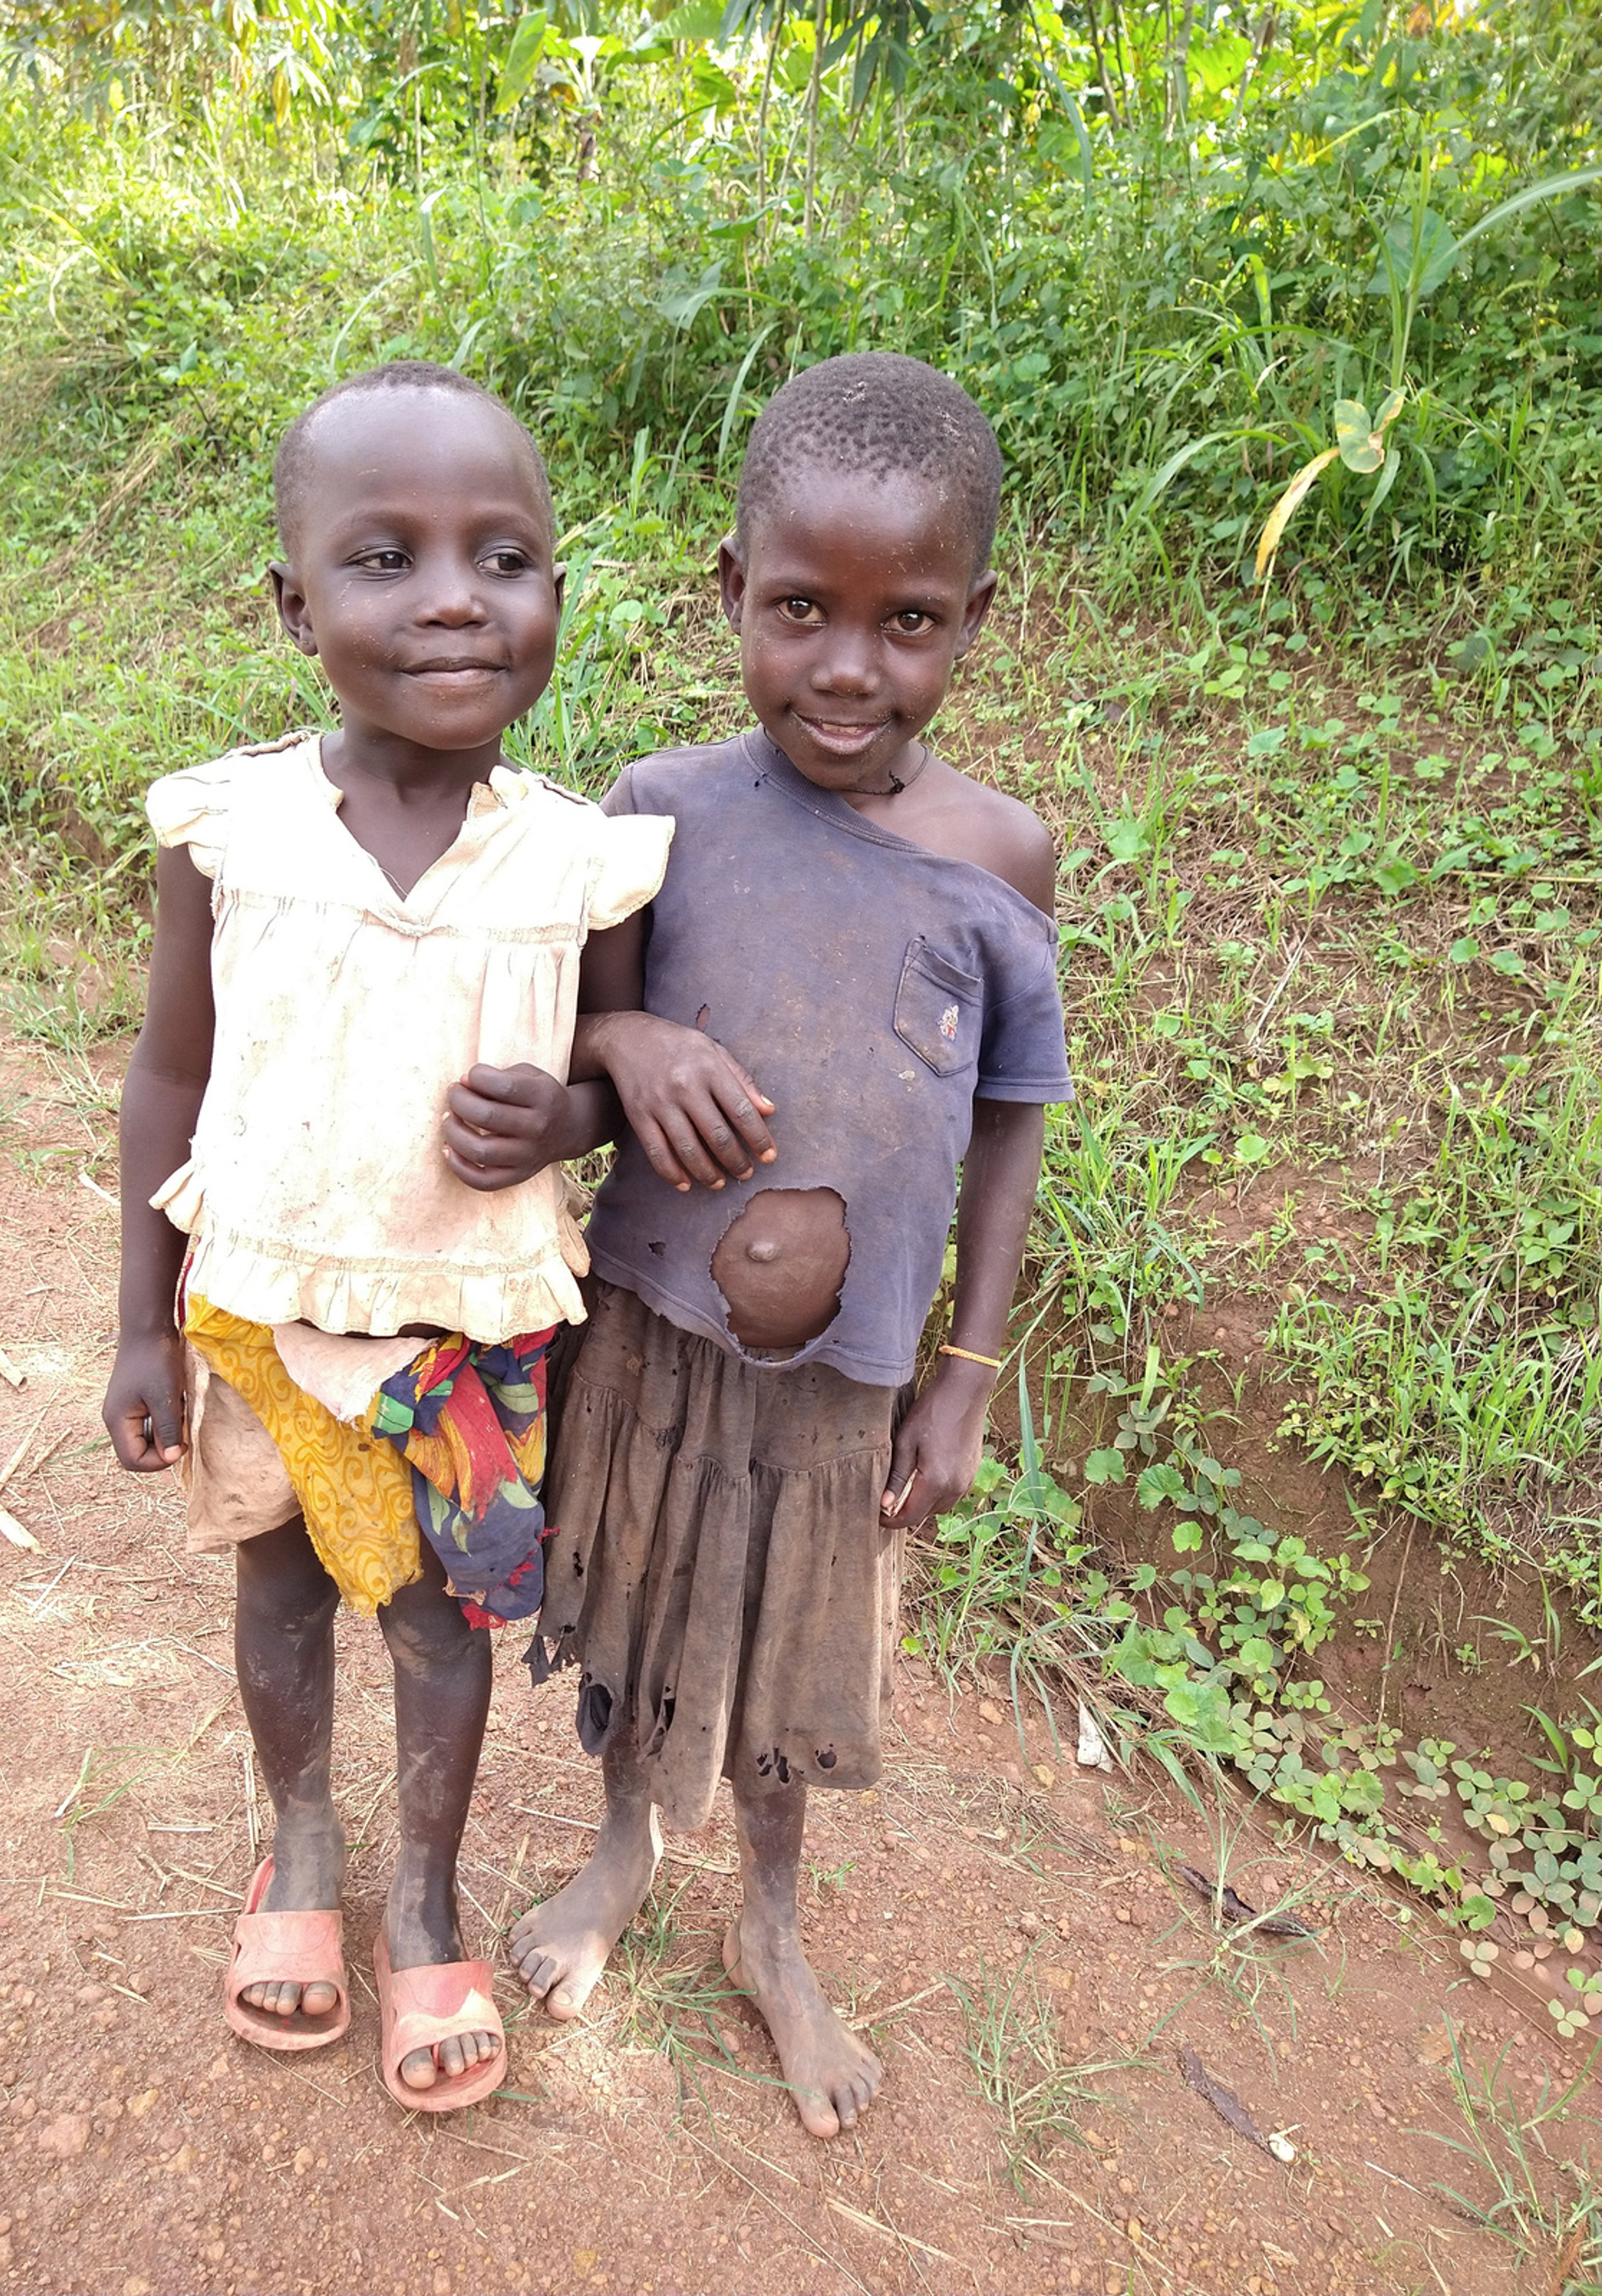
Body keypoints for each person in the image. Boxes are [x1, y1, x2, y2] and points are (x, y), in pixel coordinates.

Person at [100, 360, 681, 2110]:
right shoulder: (230, 832)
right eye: (382, 558)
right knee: (277, 1582)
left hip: (468, 1331)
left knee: (438, 1620)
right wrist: (137, 1321)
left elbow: (610, 1080)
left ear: (556, 602)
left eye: (501, 558)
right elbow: (166, 1072)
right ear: (293, 607)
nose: (450, 596)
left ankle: (421, 1888)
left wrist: (569, 1116)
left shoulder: (582, 862)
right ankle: (301, 1842)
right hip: (264, 1304)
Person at [509, 352, 1077, 2138]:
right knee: (638, 1607)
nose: (847, 668)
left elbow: (1007, 1125)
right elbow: (587, 1039)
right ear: (725, 595)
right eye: (797, 611)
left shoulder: (1000, 858)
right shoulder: (654, 808)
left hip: (847, 1384)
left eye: (906, 622)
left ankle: (768, 1923)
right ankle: (619, 1856)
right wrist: (628, 1044)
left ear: (977, 619)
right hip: (652, 1334)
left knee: (793, 1658)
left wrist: (965, 1378)